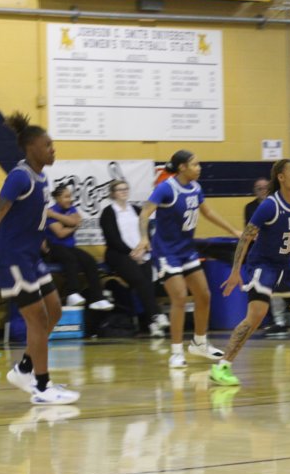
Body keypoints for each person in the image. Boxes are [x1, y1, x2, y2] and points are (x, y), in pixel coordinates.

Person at [0, 112, 79, 405]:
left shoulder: (41, 176)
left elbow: (31, 214)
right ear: (32, 148)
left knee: (54, 310)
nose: (53, 150)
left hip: (30, 254)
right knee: (38, 318)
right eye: (48, 145)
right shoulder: (19, 176)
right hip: (12, 257)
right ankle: (42, 387)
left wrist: (39, 236)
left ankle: (24, 368)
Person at [208, 159, 290, 386]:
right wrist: (235, 271)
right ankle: (222, 366)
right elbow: (246, 237)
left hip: (285, 266)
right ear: (281, 177)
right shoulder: (269, 205)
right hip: (262, 265)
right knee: (256, 315)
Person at [132, 150, 241, 368]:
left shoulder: (196, 188)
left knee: (204, 295)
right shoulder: (166, 188)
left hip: (186, 250)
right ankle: (175, 352)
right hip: (166, 252)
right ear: (182, 167)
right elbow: (144, 213)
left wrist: (233, 230)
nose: (199, 168)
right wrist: (144, 238)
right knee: (180, 297)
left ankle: (200, 343)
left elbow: (208, 213)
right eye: (195, 164)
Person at [99, 179, 169, 337]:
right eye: (119, 189)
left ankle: (151, 324)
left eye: (126, 188)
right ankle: (156, 316)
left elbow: (146, 232)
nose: (124, 191)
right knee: (141, 281)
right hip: (119, 254)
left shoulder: (136, 210)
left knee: (149, 283)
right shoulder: (108, 212)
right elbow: (112, 239)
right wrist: (132, 253)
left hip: (142, 252)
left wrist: (143, 249)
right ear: (113, 193)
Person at [44, 184, 113, 311]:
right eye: (66, 197)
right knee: (70, 258)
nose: (69, 199)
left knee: (89, 260)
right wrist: (72, 225)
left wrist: (56, 216)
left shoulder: (67, 209)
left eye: (70, 196)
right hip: (54, 249)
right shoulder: (49, 211)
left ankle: (97, 299)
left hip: (69, 248)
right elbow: (60, 233)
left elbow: (75, 221)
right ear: (57, 198)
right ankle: (72, 293)